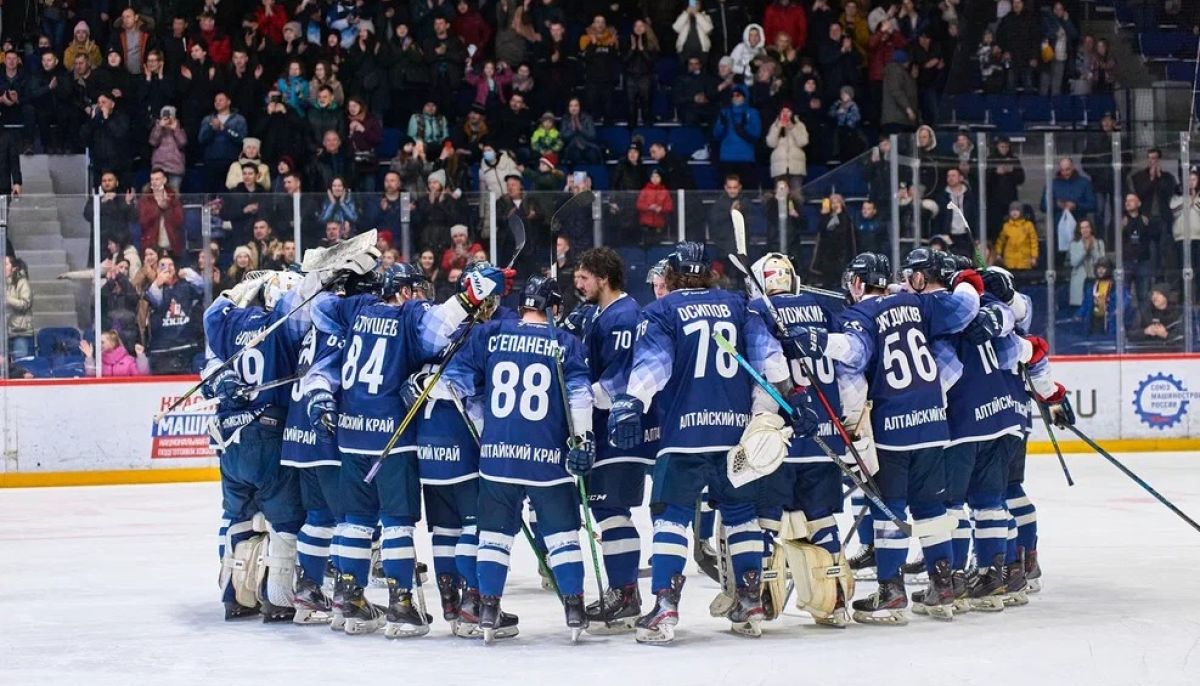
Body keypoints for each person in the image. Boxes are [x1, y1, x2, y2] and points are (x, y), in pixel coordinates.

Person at [302, 260, 514, 637]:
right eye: (415, 291)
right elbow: (441, 326)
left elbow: (316, 307)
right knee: (396, 520)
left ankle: (348, 598)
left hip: (350, 432)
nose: (420, 298)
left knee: (355, 518)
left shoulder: (357, 307)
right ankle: (401, 604)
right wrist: (472, 293)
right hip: (391, 435)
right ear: (403, 292)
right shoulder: (409, 316)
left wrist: (323, 275)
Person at [608, 242, 804, 643]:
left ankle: (664, 606)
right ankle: (749, 601)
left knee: (672, 517)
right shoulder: (738, 304)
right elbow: (771, 365)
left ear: (676, 273)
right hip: (735, 434)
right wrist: (786, 401)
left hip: (685, 434)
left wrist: (631, 402)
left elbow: (653, 368)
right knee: (741, 513)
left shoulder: (663, 310)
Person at [789, 251, 981, 624]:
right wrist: (971, 280)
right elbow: (962, 311)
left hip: (893, 428)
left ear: (859, 283)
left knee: (889, 510)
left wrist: (819, 340)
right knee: (932, 508)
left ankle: (891, 591)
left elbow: (855, 355)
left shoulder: (861, 315)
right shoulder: (919, 302)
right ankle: (943, 587)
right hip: (932, 423)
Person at [428, 275, 592, 640]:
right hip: (548, 456)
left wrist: (484, 425)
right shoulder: (565, 342)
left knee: (494, 537)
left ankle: (487, 610)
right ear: (554, 309)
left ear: (522, 307)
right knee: (563, 535)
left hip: (497, 456)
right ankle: (575, 610)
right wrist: (581, 441)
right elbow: (580, 395)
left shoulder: (490, 334)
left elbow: (455, 384)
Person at [746, 252, 852, 626]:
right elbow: (847, 364)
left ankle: (756, 600)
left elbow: (770, 366)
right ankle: (836, 602)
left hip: (781, 437)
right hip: (824, 434)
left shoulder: (758, 310)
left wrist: (790, 398)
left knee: (766, 521)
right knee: (822, 518)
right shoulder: (823, 310)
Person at [201, 269, 309, 621]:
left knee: (238, 517)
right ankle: (278, 598)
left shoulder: (231, 323)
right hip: (268, 433)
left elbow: (211, 317)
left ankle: (235, 596)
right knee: (285, 519)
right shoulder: (282, 323)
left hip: (232, 439)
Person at [143, 253, 205, 374]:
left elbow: (203, 288)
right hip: (161, 350)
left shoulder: (185, 286)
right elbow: (155, 302)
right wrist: (157, 284)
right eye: (163, 265)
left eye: (170, 264)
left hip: (185, 346)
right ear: (156, 270)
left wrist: (189, 273)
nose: (167, 267)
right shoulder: (154, 288)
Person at [1041, 157, 1097, 259]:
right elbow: (1043, 206)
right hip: (1057, 230)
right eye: (1062, 170)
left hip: (1079, 228)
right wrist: (1056, 205)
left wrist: (1076, 205)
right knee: (1057, 260)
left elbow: (1093, 205)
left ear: (1073, 167)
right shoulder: (1052, 184)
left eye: (1068, 169)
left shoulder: (1084, 183)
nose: (1065, 173)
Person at [198, 92, 249, 193]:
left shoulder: (239, 119)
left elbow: (242, 139)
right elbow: (201, 139)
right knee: (210, 193)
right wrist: (211, 129)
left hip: (231, 161)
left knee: (230, 192)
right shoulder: (208, 119)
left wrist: (224, 129)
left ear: (228, 102)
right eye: (215, 100)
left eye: (220, 100)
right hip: (211, 160)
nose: (217, 102)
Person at [713, 86, 761, 188]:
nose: (735, 97)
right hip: (727, 158)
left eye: (738, 95)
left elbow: (756, 134)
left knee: (747, 193)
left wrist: (744, 128)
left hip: (746, 158)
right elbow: (716, 135)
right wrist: (722, 125)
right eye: (733, 95)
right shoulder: (724, 112)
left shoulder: (752, 113)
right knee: (726, 192)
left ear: (745, 97)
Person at [809, 194, 856, 289]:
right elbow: (821, 231)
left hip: (841, 253)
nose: (835, 205)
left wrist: (840, 214)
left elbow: (844, 231)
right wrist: (824, 215)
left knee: (840, 280)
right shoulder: (827, 217)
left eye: (837, 202)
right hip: (827, 253)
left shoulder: (846, 217)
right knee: (828, 281)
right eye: (833, 203)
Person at [137, 169, 185, 256]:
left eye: (157, 179)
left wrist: (167, 207)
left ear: (164, 180)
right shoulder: (145, 198)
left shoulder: (173, 197)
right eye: (152, 179)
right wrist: (159, 208)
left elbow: (179, 221)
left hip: (171, 246)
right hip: (152, 247)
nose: (154, 182)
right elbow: (143, 221)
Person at [765, 105, 809, 191]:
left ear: (792, 113)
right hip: (779, 169)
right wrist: (778, 127)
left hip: (796, 168)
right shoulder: (775, 125)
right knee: (781, 196)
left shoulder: (799, 125)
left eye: (788, 111)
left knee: (796, 196)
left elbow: (803, 142)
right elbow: (771, 143)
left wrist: (792, 128)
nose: (785, 114)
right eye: (783, 111)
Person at [1068, 219, 1106, 308]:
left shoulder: (1099, 243)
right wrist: (1085, 250)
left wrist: (1092, 249)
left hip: (1095, 279)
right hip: (1081, 280)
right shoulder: (1074, 244)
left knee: (1098, 308)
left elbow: (1102, 262)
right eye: (1082, 228)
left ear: (1091, 229)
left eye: (1087, 227)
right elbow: (1074, 263)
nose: (1085, 230)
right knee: (1082, 308)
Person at [992, 202, 1038, 275]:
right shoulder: (1006, 226)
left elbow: (1034, 242)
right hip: (1010, 260)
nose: (1014, 213)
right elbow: (1000, 241)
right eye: (1012, 210)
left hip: (1024, 260)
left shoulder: (1028, 225)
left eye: (1017, 210)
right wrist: (998, 253)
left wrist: (1034, 257)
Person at [80, 329, 148, 376]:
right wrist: (89, 357)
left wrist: (141, 356)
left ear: (113, 343)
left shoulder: (128, 361)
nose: (100, 345)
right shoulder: (100, 361)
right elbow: (91, 377)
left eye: (102, 342)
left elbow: (142, 376)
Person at [5, 255, 33, 359]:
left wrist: (7, 299)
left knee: (21, 364)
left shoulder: (22, 283)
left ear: (14, 268)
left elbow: (25, 304)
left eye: (6, 264)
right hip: (6, 332)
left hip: (20, 332)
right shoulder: (3, 283)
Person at [636, 169, 674, 241]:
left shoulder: (665, 191)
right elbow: (639, 205)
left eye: (657, 177)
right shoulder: (645, 190)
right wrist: (649, 207)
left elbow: (669, 206)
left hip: (660, 224)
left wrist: (661, 209)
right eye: (653, 177)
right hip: (646, 224)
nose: (655, 179)